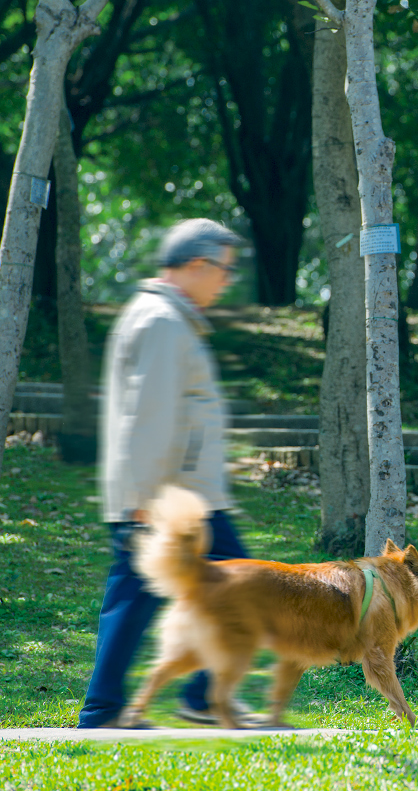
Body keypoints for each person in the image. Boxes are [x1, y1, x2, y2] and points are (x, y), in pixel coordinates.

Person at [78, 218, 251, 729]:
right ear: (196, 265)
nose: (227, 281)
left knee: (138, 599)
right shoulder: (161, 322)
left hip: (182, 497)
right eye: (224, 269)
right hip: (171, 502)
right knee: (237, 587)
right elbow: (149, 417)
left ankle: (121, 707)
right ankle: (179, 701)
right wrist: (143, 503)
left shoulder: (169, 319)